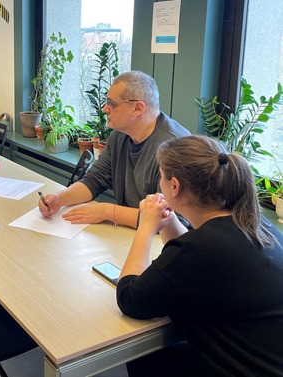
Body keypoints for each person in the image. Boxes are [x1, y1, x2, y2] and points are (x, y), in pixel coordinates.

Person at [117, 135, 283, 376]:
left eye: (160, 176)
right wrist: (168, 221)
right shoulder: (256, 225)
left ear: (174, 186)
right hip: (266, 360)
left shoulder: (198, 249)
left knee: (144, 355)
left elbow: (130, 298)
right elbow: (196, 256)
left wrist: (145, 227)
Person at [38, 70, 190, 228]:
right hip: (133, 232)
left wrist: (107, 211)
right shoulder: (120, 135)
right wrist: (59, 198)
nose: (104, 109)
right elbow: (94, 180)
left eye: (112, 104)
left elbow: (169, 218)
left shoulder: (175, 147)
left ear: (138, 108)